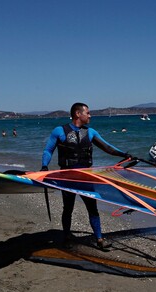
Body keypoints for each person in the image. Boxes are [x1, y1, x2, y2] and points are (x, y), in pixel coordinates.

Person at [41, 102, 130, 249]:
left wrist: (124, 154)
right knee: (67, 208)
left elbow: (107, 147)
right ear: (78, 114)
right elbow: (48, 150)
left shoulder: (90, 132)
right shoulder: (59, 130)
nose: (90, 115)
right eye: (87, 113)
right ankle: (67, 235)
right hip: (68, 176)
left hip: (86, 177)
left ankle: (99, 239)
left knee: (92, 208)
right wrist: (44, 166)